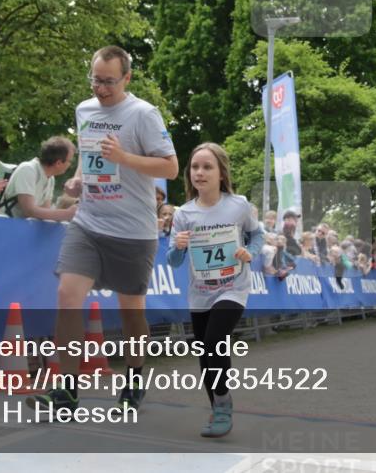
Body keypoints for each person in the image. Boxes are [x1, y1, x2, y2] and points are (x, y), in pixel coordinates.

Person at [29, 46, 177, 415]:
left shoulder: (143, 114)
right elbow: (88, 152)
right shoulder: (84, 110)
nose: (101, 88)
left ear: (127, 78)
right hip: (90, 222)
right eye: (95, 79)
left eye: (109, 81)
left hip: (133, 229)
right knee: (67, 295)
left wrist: (124, 158)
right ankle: (66, 389)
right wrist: (79, 181)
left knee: (131, 314)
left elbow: (171, 168)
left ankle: (135, 376)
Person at [167, 143, 262, 437]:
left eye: (207, 167)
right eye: (195, 167)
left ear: (221, 173)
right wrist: (179, 246)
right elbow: (173, 260)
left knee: (214, 341)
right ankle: (218, 406)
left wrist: (250, 252)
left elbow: (257, 233)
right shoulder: (183, 213)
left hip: (233, 287)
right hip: (200, 293)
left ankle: (222, 407)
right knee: (205, 355)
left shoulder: (239, 205)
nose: (200, 172)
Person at [0, 136, 76, 221]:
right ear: (58, 163)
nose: (70, 165)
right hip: (6, 227)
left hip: (23, 229)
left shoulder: (50, 178)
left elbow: (45, 213)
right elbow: (29, 211)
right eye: (70, 161)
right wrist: (67, 214)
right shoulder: (28, 169)